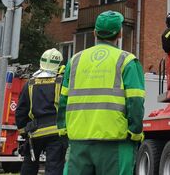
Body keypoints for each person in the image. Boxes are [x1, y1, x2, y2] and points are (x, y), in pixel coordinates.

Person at [57, 10, 146, 175]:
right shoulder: (127, 61)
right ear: (120, 33)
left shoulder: (74, 61)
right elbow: (135, 102)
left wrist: (63, 130)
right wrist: (134, 133)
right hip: (115, 143)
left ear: (94, 33)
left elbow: (63, 100)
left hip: (78, 142)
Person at [15, 48, 68, 175]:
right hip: (56, 132)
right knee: (54, 167)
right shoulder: (62, 82)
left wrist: (24, 133)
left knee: (29, 164)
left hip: (34, 132)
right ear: (59, 64)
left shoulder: (30, 83)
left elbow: (21, 112)